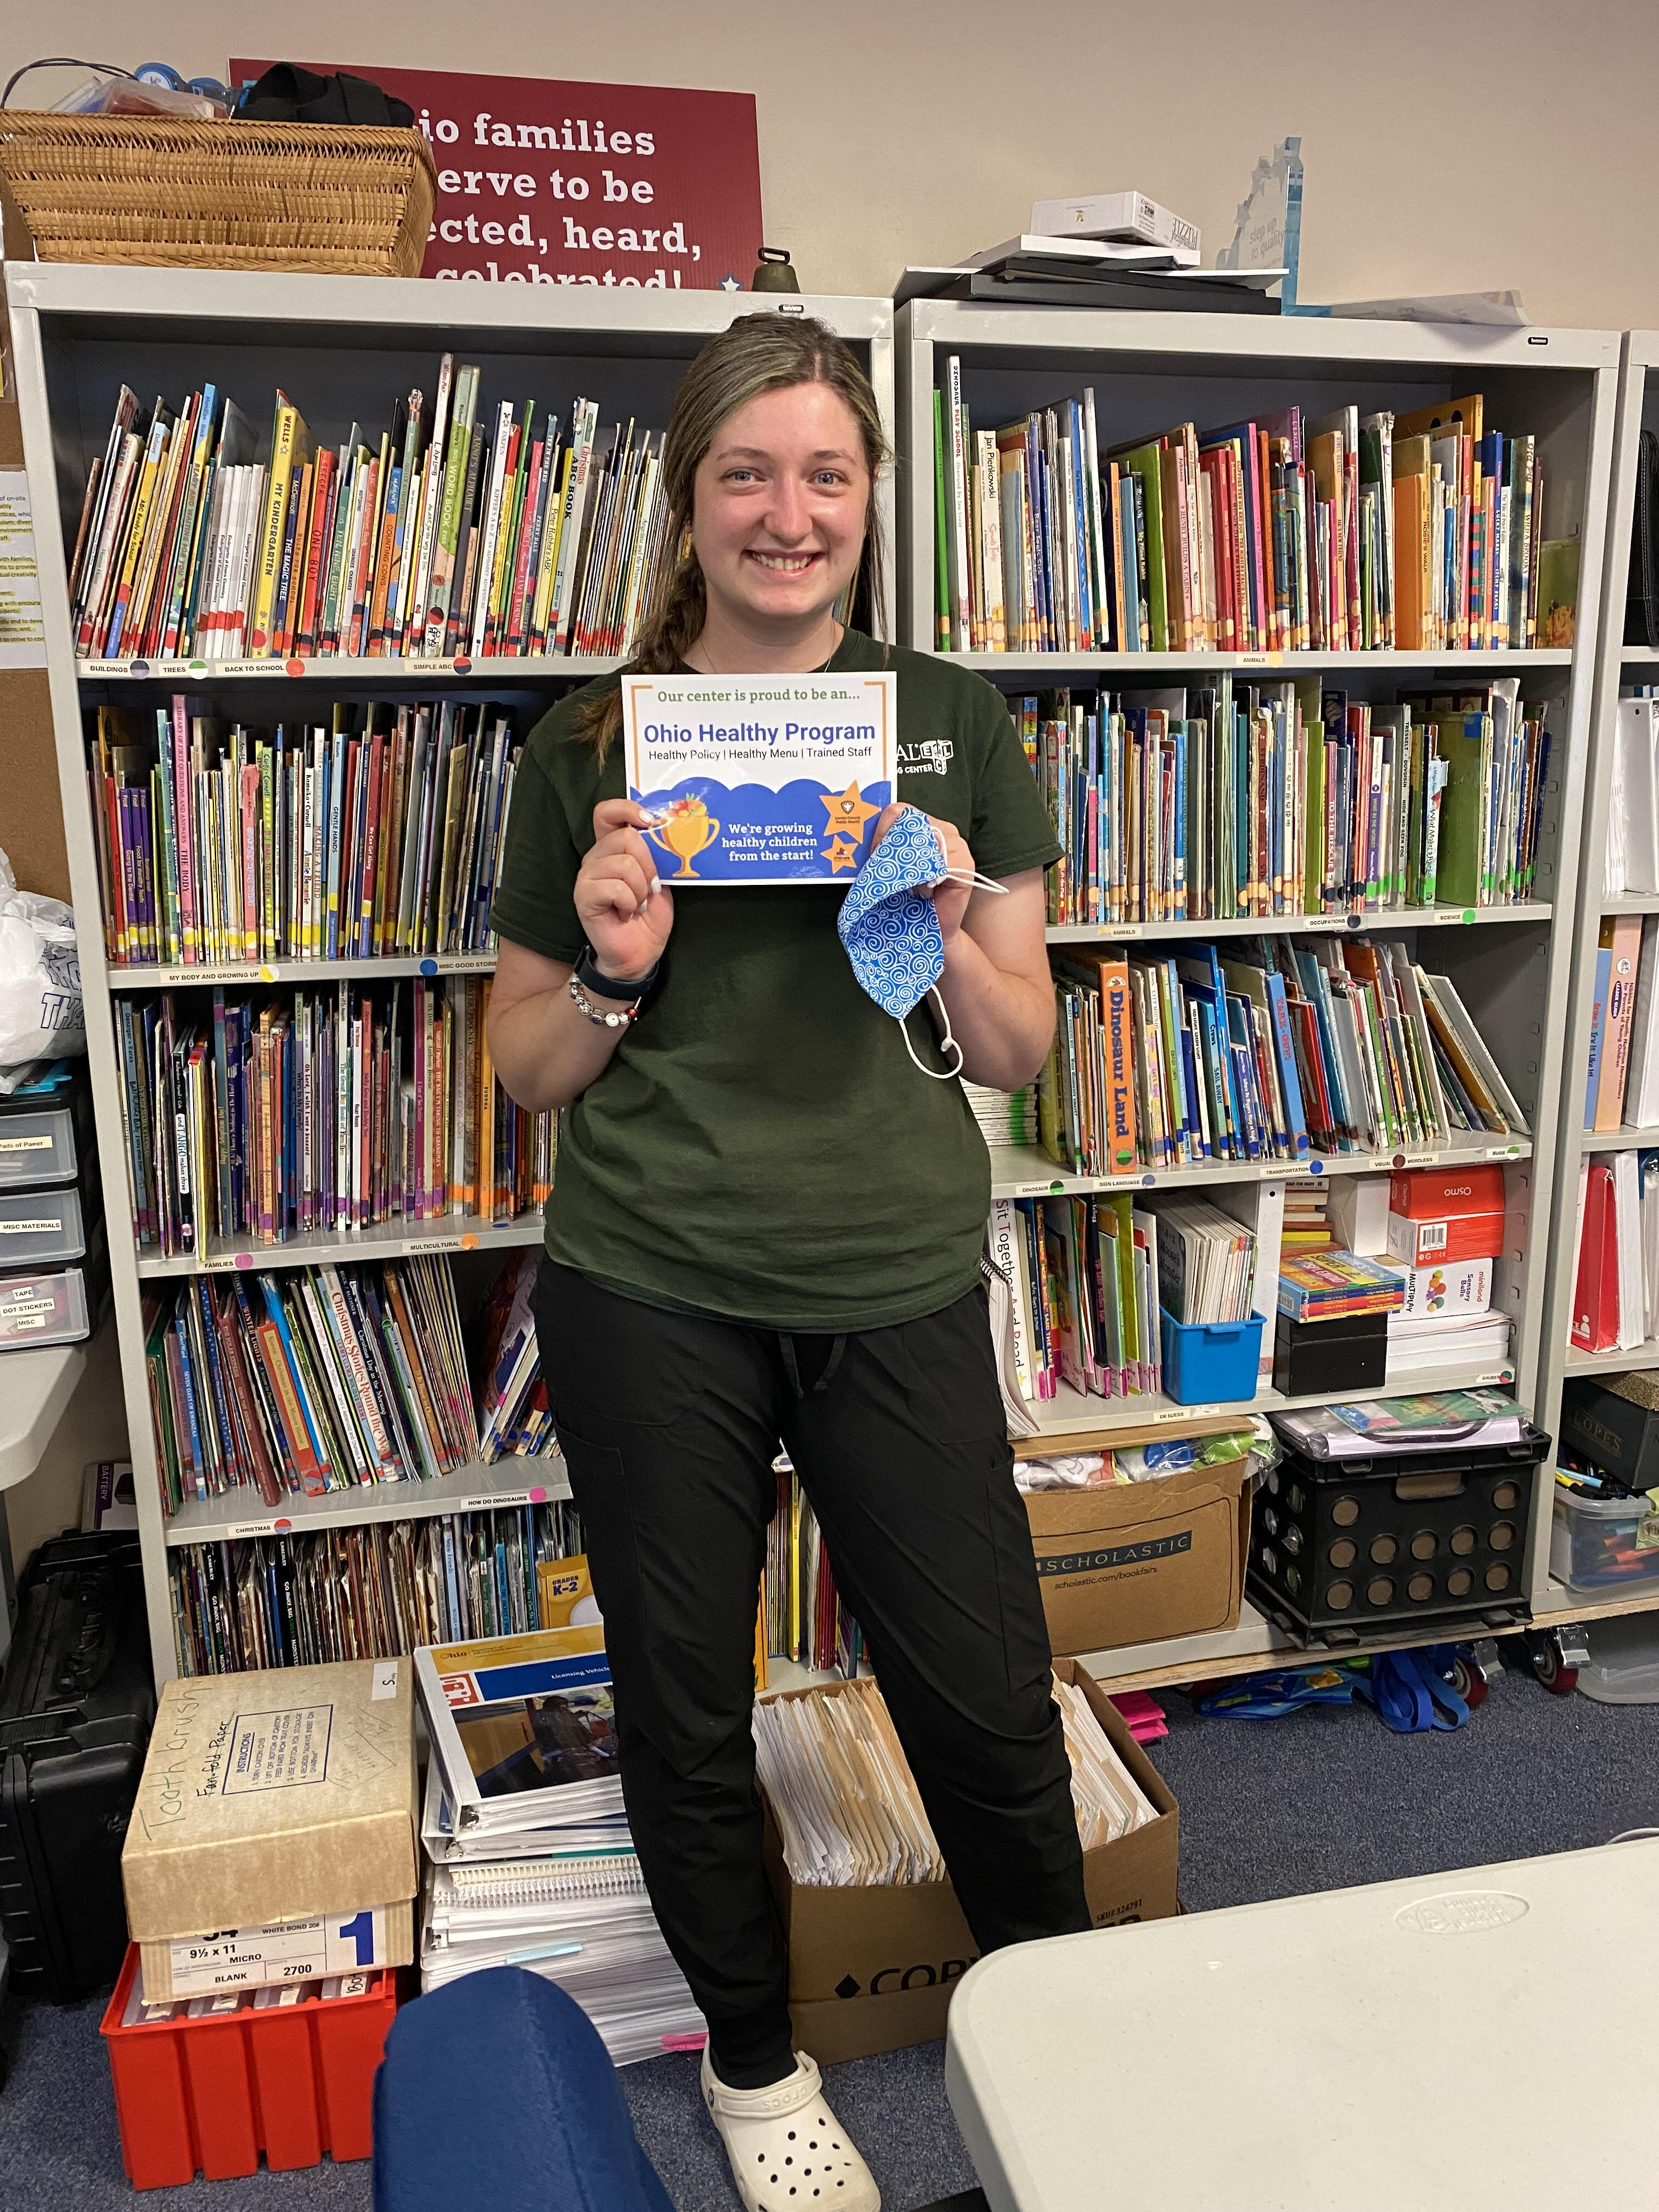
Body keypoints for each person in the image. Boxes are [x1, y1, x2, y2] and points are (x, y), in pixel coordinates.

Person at [487, 313, 1090, 2212]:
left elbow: (1018, 1049)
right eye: (747, 472)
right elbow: (528, 1071)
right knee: (684, 1699)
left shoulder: (950, 719)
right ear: (690, 501)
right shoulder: (586, 746)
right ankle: (757, 2071)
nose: (787, 511)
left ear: (868, 502)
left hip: (891, 1264)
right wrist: (609, 963)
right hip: (651, 1274)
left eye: (826, 473)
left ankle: (1075, 2036)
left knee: (986, 1696)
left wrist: (935, 912)